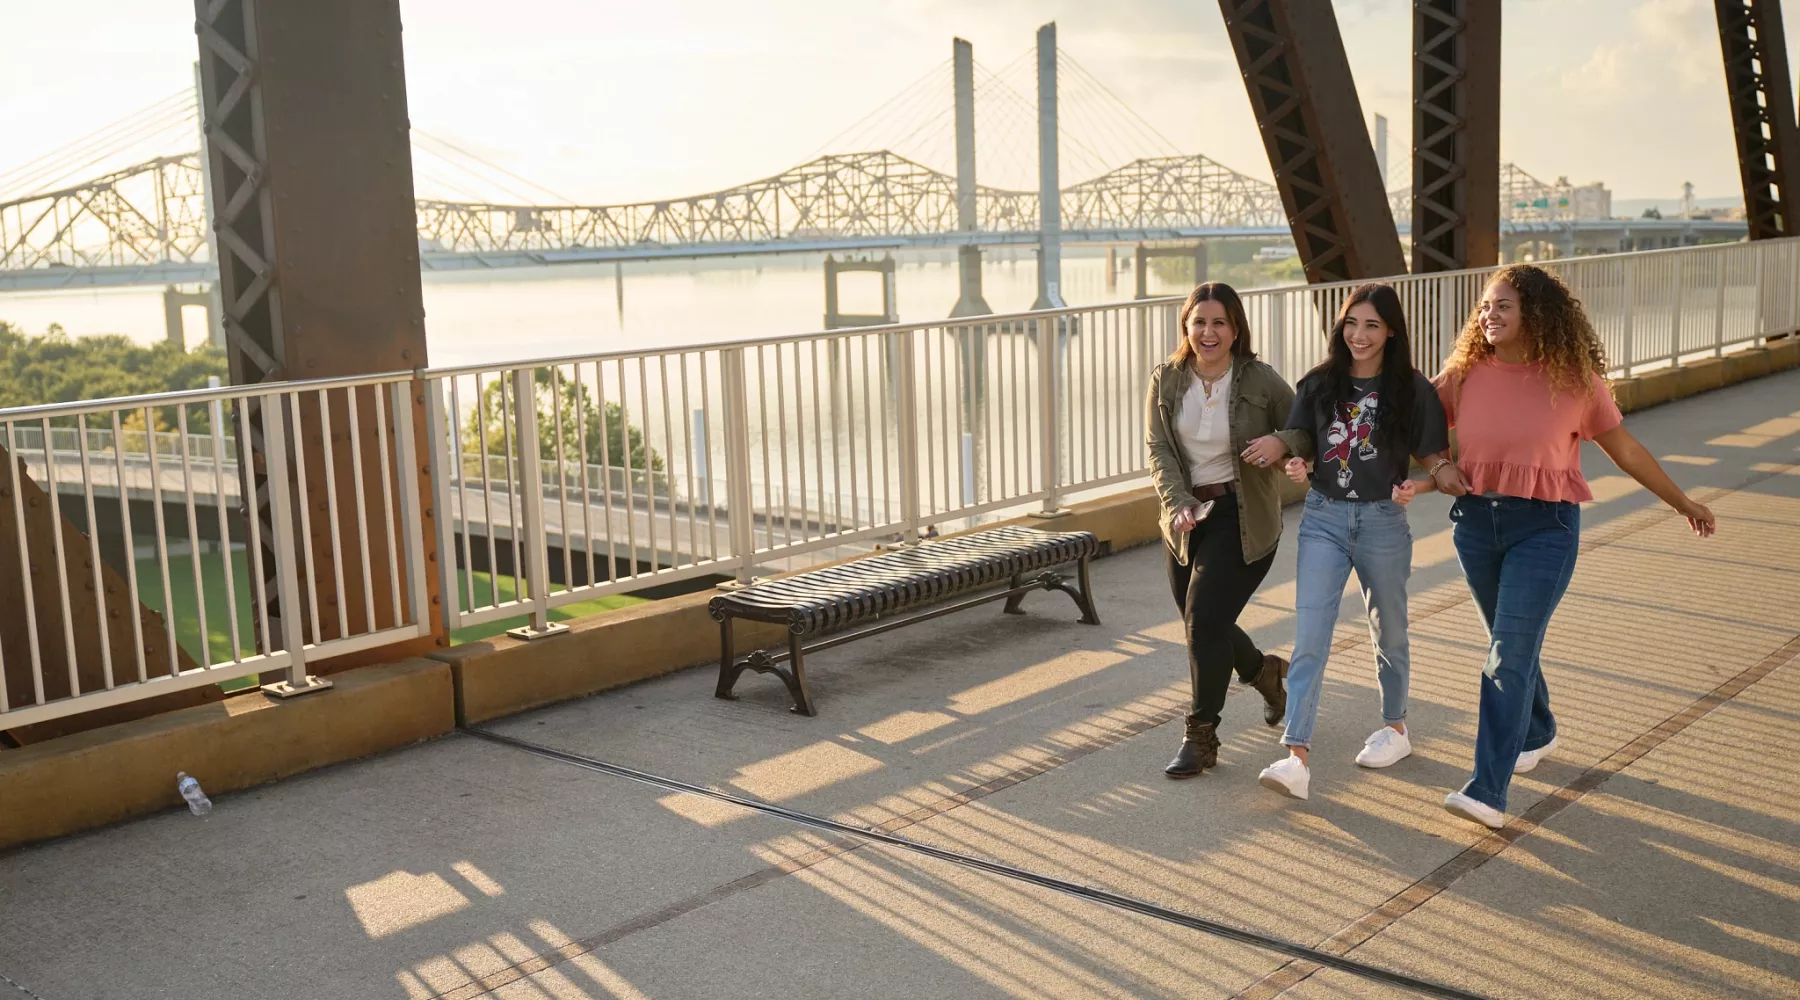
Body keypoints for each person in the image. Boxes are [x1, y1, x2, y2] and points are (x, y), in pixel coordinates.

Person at [1435, 264, 1717, 829]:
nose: (1490, 315)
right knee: (1509, 644)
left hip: (1545, 529)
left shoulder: (1573, 381)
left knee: (1507, 655)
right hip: (1475, 526)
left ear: (1536, 314)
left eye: (1504, 306)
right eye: (1486, 307)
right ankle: (1537, 730)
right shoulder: (1462, 377)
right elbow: (1411, 431)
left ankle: (1488, 788)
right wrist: (1436, 465)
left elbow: (1627, 450)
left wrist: (1682, 502)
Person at [1256, 283, 1460, 801]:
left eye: (1371, 325)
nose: (1359, 335)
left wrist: (1425, 480)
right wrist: (1295, 464)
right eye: (1351, 323)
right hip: (1324, 517)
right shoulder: (1319, 383)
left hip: (1383, 522)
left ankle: (1395, 729)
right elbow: (1298, 448)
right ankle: (1295, 757)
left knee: (1389, 632)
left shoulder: (1412, 390)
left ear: (1391, 330)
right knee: (1311, 637)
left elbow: (1433, 457)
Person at [1146, 282, 1309, 778]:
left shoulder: (1260, 379)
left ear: (1236, 328)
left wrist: (1281, 442)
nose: (1208, 332)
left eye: (1219, 323)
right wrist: (1178, 502)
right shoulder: (1167, 379)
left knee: (1203, 622)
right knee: (1205, 625)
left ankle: (1201, 736)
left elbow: (1305, 427)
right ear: (1186, 326)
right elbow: (1160, 451)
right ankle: (1266, 674)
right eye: (1199, 322)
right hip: (1185, 521)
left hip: (1243, 519)